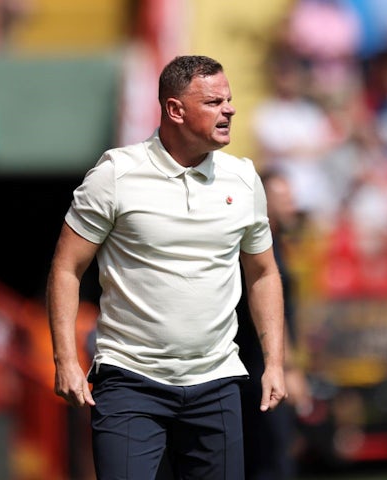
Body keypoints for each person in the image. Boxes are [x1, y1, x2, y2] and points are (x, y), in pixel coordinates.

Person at [46, 55, 287, 480]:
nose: (229, 109)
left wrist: (275, 362)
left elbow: (264, 274)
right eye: (214, 102)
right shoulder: (116, 174)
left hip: (217, 382)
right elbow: (66, 268)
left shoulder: (244, 179)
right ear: (175, 110)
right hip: (129, 382)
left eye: (229, 99)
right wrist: (65, 360)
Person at [236, 170, 312, 479]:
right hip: (259, 366)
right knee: (271, 455)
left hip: (264, 365)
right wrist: (288, 368)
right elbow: (273, 311)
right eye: (284, 198)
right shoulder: (260, 245)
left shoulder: (278, 242)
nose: (292, 205)